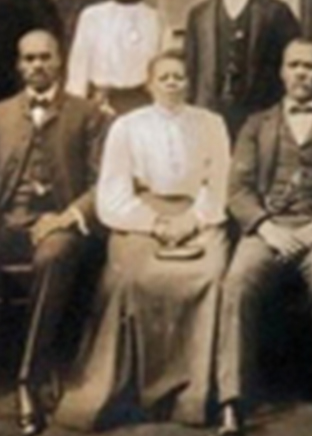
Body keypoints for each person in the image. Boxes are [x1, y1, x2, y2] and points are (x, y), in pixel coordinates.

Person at [0, 30, 105, 436]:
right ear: (18, 64)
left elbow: (102, 184)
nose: (36, 66)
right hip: (7, 221)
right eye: (28, 59)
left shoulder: (88, 113)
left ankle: (29, 379)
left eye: (44, 57)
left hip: (57, 225)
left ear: (59, 61)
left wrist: (67, 216)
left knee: (53, 255)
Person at [56, 51, 231, 430]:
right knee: (133, 278)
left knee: (211, 276)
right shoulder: (126, 126)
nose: (172, 83)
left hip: (198, 215)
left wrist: (191, 220)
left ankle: (194, 397)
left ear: (189, 82)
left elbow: (218, 185)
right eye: (164, 77)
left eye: (180, 76)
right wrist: (154, 223)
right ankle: (135, 393)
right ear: (149, 84)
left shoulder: (211, 124)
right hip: (140, 217)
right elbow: (113, 195)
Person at [217, 39, 312, 436]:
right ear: (282, 72)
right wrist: (266, 227)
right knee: (238, 281)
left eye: (310, 66)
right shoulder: (256, 124)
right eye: (293, 65)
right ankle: (231, 402)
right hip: (268, 228)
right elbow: (238, 190)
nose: (301, 73)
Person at [184, 0, 301, 139]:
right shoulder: (199, 14)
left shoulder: (275, 11)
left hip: (261, 115)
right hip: (211, 116)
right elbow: (191, 71)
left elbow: (292, 67)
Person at [65, 0, 163, 115]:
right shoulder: (92, 17)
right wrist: (76, 114)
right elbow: (78, 73)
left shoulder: (154, 19)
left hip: (142, 105)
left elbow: (161, 71)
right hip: (102, 106)